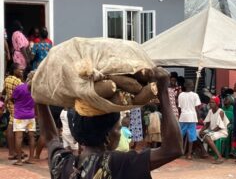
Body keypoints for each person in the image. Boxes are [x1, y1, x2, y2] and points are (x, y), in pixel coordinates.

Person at [37, 67, 183, 179]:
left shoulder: (63, 164)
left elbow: (50, 138)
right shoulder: (117, 164)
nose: (119, 132)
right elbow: (173, 149)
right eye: (118, 128)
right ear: (108, 136)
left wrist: (38, 97)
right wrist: (163, 90)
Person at [200, 96, 229, 164]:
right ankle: (204, 152)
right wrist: (201, 130)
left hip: (221, 131)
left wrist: (209, 132)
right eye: (210, 102)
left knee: (207, 137)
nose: (210, 104)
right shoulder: (210, 111)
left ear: (217, 103)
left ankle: (220, 157)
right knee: (196, 133)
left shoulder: (220, 112)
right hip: (213, 131)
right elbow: (207, 124)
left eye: (212, 102)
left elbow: (219, 127)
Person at [2, 63, 23, 159]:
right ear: (14, 70)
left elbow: (4, 92)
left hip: (10, 105)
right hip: (17, 105)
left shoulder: (7, 79)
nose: (21, 71)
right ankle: (13, 152)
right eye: (19, 69)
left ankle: (14, 151)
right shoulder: (17, 81)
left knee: (12, 127)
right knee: (13, 128)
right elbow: (24, 91)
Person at [12, 82, 36, 165]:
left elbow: (13, 98)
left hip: (19, 115)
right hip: (31, 115)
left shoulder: (19, 87)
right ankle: (31, 158)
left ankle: (19, 160)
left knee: (19, 138)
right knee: (32, 137)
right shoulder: (34, 88)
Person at [178, 79, 201, 160]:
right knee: (191, 136)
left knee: (181, 136)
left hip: (183, 117)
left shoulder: (180, 95)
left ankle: (180, 152)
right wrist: (199, 117)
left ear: (184, 85)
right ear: (192, 86)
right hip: (192, 117)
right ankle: (189, 154)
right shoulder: (195, 95)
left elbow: (179, 108)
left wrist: (180, 116)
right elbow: (197, 108)